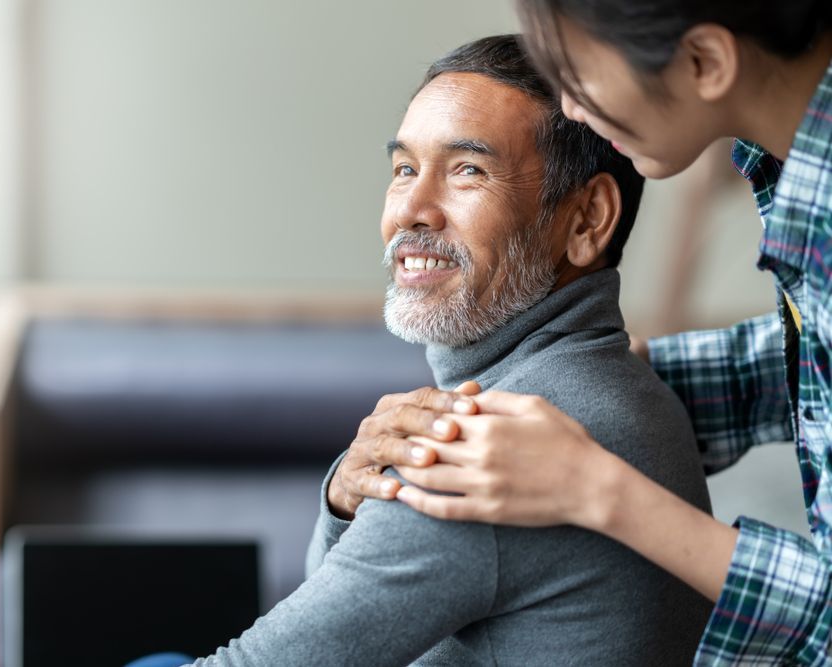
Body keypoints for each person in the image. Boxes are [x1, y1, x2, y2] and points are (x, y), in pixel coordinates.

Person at [130, 35, 712, 666]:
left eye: (468, 170)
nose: (410, 210)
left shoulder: (493, 452)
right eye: (404, 169)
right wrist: (344, 502)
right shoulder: (626, 389)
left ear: (586, 220)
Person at [332, 3, 832, 664]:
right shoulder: (792, 172)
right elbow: (813, 351)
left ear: (705, 62)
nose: (569, 107)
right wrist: (620, 390)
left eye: (581, 71)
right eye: (404, 168)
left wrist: (595, 485)